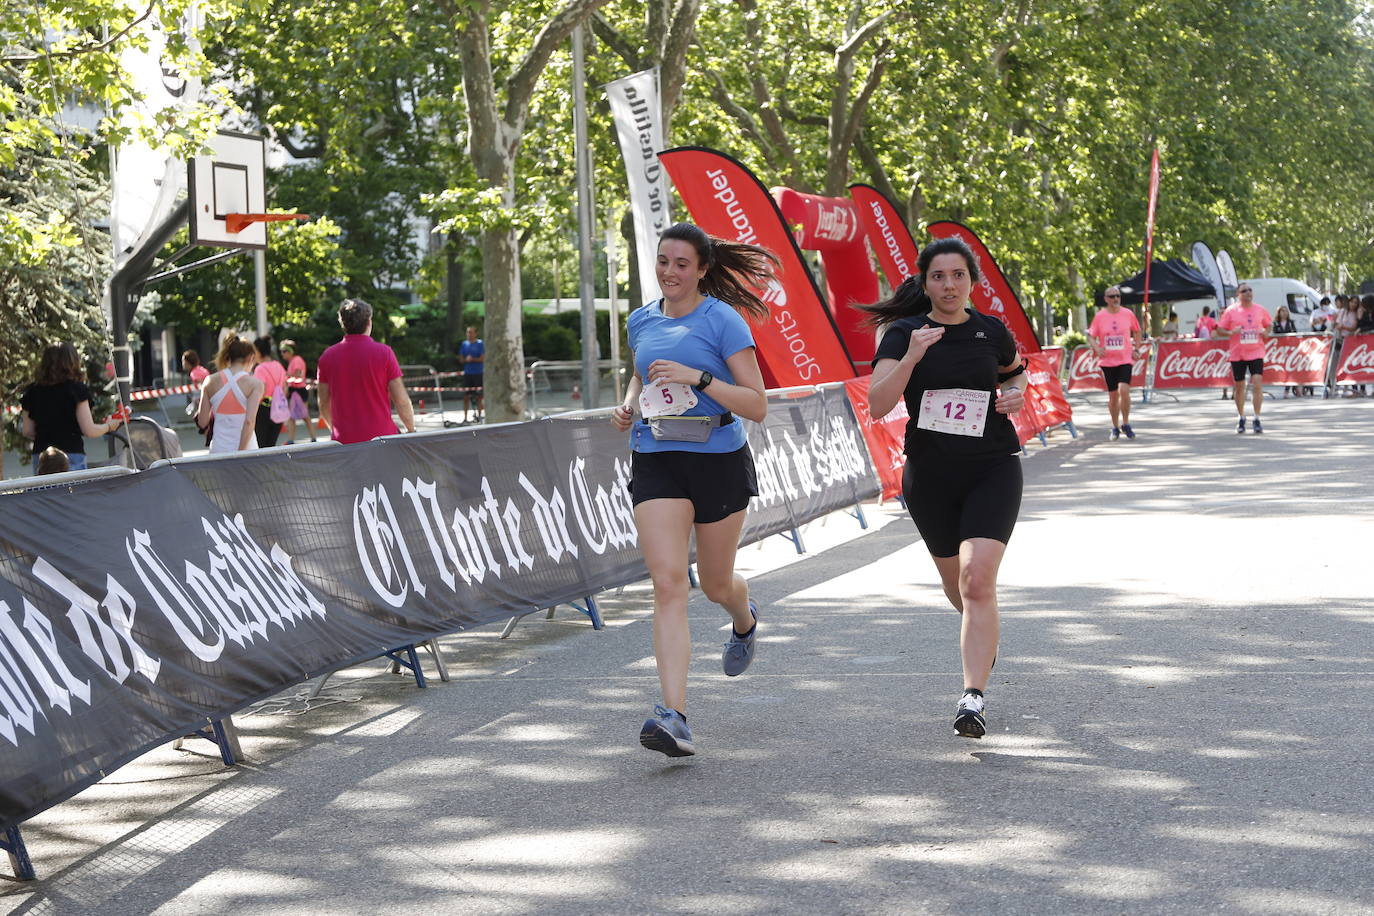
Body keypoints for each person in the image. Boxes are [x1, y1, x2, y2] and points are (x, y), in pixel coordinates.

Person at [609, 222, 776, 758]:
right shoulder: (641, 319)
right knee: (667, 584)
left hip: (718, 460)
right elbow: (641, 374)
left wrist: (697, 379)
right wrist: (631, 403)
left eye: (682, 264)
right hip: (656, 455)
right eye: (663, 261)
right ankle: (674, 716)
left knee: (715, 584)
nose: (670, 272)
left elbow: (756, 404)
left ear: (702, 269)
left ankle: (744, 618)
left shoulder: (722, 320)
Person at [863, 237, 1028, 739]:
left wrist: (1015, 397)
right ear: (925, 282)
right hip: (930, 476)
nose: (949, 285)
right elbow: (876, 403)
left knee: (978, 581)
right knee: (958, 585)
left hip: (992, 467)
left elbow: (1016, 376)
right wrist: (911, 357)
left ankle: (972, 697)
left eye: (958, 275)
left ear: (972, 281)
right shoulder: (903, 333)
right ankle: (982, 630)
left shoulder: (990, 331)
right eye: (939, 276)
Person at [317, 298, 415, 444]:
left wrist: (336, 429)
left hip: (344, 441)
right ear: (369, 322)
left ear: (342, 323)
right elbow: (401, 400)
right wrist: (411, 430)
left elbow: (323, 402)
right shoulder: (384, 353)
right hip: (382, 438)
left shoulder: (327, 357)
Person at [20, 342, 124, 474]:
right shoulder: (76, 390)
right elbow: (89, 430)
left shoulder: (32, 392)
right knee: (73, 494)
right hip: (72, 454)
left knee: (45, 494)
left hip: (42, 458)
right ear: (72, 362)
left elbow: (28, 431)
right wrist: (109, 426)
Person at [1087, 286, 1144, 439]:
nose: (1115, 299)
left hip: (1125, 359)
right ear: (1106, 299)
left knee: (1124, 390)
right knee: (1113, 396)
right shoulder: (1100, 316)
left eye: (1118, 296)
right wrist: (1097, 348)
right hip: (1107, 361)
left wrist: (1137, 349)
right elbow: (1090, 336)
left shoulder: (1128, 314)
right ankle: (1115, 426)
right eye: (1112, 296)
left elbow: (1138, 331)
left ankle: (1126, 423)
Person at [1216, 283, 1272, 432]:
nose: (1248, 293)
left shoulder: (1260, 309)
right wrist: (1230, 332)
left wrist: (1265, 333)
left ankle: (1257, 418)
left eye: (1250, 290)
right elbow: (1220, 329)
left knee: (1257, 383)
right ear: (1238, 295)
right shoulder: (1231, 311)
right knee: (1240, 387)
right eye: (1244, 291)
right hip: (1238, 353)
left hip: (1256, 351)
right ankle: (1241, 417)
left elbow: (1269, 325)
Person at [196, 334, 264, 453]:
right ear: (250, 358)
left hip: (218, 448)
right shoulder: (255, 384)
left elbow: (202, 422)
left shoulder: (210, 381)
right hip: (247, 450)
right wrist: (239, 452)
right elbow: (249, 422)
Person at [252, 336, 287, 449]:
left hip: (263, 410)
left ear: (258, 351)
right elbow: (285, 389)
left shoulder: (260, 369)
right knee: (271, 446)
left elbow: (260, 391)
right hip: (278, 409)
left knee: (261, 446)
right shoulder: (279, 366)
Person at [280, 340, 311, 444]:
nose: (282, 353)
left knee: (305, 416)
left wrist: (286, 377)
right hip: (295, 390)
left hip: (299, 390)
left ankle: (313, 437)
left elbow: (298, 377)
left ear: (290, 351)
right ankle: (291, 440)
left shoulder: (297, 360)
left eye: (284, 351)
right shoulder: (293, 361)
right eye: (281, 351)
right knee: (292, 417)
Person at [458, 326, 485, 422]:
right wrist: (466, 359)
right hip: (468, 373)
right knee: (466, 396)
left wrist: (473, 359)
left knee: (479, 396)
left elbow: (483, 358)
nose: (469, 334)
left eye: (471, 332)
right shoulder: (464, 344)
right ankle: (465, 417)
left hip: (478, 373)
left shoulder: (480, 343)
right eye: (468, 332)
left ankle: (480, 416)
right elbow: (461, 359)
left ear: (475, 333)